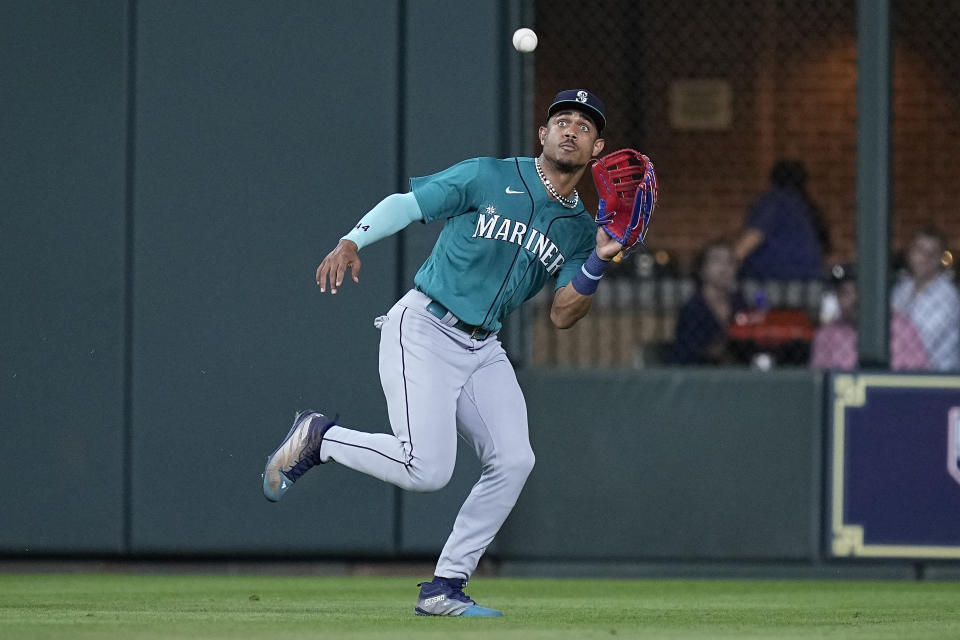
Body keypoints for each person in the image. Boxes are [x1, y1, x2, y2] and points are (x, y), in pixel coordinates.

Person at [262, 90, 623, 617]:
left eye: (584, 126)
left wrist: (599, 262)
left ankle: (444, 587)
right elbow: (408, 206)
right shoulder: (487, 175)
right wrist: (351, 241)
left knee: (515, 459)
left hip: (483, 346)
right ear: (541, 134)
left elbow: (563, 314)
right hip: (426, 328)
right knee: (426, 470)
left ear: (597, 148)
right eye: (561, 120)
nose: (571, 129)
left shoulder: (577, 231)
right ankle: (322, 438)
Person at [811, 263, 929, 370]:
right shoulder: (827, 335)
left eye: (858, 290)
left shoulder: (901, 327)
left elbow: (920, 374)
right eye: (845, 293)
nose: (854, 299)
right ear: (837, 297)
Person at [734, 159, 825, 280]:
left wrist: (726, 264)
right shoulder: (806, 208)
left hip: (772, 283)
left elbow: (751, 240)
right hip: (807, 284)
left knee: (755, 298)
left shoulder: (774, 202)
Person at [891, 227, 960, 371]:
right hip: (901, 372)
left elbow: (919, 342)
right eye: (920, 250)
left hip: (938, 377)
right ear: (910, 253)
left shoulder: (948, 296)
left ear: (941, 258)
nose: (926, 258)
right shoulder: (902, 289)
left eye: (933, 253)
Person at [671, 239, 747, 364]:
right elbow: (686, 353)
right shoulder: (693, 309)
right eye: (716, 261)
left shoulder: (740, 303)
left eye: (730, 262)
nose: (724, 268)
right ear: (702, 269)